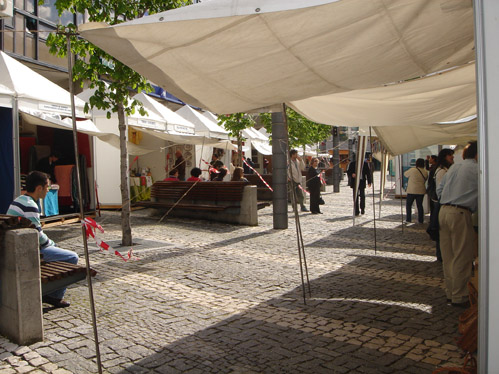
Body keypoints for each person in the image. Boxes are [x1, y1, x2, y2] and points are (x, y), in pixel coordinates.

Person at [7, 171, 78, 308]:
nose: (48, 191)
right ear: (39, 188)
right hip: (29, 251)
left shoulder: (20, 200)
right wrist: (53, 244)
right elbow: (38, 236)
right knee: (72, 257)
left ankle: (52, 294)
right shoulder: (30, 205)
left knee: (58, 251)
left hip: (18, 247)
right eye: (47, 187)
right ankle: (54, 296)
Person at [437, 141, 478, 307]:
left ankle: (450, 292)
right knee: (462, 256)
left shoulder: (455, 167)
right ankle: (459, 296)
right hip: (461, 213)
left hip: (444, 211)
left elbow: (439, 190)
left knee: (448, 256)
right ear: (477, 154)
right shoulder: (476, 169)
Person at [427, 149, 455, 261]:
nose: (452, 158)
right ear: (445, 157)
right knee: (441, 231)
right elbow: (441, 189)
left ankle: (441, 254)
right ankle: (440, 255)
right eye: (450, 156)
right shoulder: (442, 171)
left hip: (442, 203)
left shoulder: (445, 170)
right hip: (441, 204)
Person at [404, 158, 428, 224]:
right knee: (419, 205)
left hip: (412, 190)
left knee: (409, 205)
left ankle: (408, 219)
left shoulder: (413, 170)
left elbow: (405, 174)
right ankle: (421, 220)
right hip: (421, 191)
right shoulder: (425, 172)